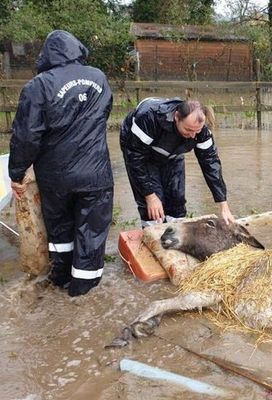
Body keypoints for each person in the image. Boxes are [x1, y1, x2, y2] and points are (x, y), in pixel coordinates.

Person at [9, 30, 114, 297]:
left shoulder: (38, 85)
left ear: (47, 54)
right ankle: (83, 293)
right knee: (91, 231)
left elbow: (26, 135)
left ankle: (59, 280)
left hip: (55, 177)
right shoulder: (99, 77)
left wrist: (17, 172)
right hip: (95, 174)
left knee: (60, 230)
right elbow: (103, 114)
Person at [120, 98, 235, 228]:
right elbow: (135, 160)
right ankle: (153, 235)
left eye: (196, 131)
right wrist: (150, 196)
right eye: (188, 130)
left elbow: (211, 164)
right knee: (154, 207)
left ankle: (177, 235)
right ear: (176, 117)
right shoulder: (148, 117)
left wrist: (223, 205)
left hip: (172, 152)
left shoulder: (200, 131)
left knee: (176, 199)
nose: (193, 136)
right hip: (142, 153)